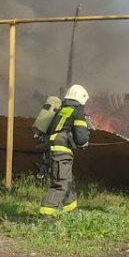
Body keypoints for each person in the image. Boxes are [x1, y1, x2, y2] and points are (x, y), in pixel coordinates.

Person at [39, 84, 90, 217]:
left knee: (68, 181)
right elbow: (81, 138)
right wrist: (84, 142)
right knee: (60, 184)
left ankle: (71, 211)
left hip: (52, 150)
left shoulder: (61, 109)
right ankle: (46, 214)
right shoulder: (77, 112)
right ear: (81, 98)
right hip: (61, 152)